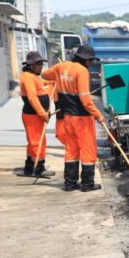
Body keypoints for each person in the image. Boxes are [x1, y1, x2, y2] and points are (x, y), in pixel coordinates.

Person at [41, 44, 104, 192]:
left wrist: (61, 75)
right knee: (88, 149)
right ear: (86, 60)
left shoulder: (60, 67)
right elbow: (85, 99)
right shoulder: (82, 71)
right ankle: (87, 184)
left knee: (71, 150)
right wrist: (98, 115)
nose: (91, 64)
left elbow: (44, 75)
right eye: (91, 61)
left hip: (67, 117)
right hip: (82, 118)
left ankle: (70, 183)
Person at [18, 51, 53, 178]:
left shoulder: (32, 76)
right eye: (39, 64)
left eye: (42, 63)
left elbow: (38, 85)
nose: (41, 66)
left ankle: (29, 168)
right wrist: (43, 113)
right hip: (33, 116)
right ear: (31, 65)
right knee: (36, 142)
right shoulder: (27, 77)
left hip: (36, 116)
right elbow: (32, 98)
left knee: (36, 141)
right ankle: (39, 168)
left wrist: (48, 83)